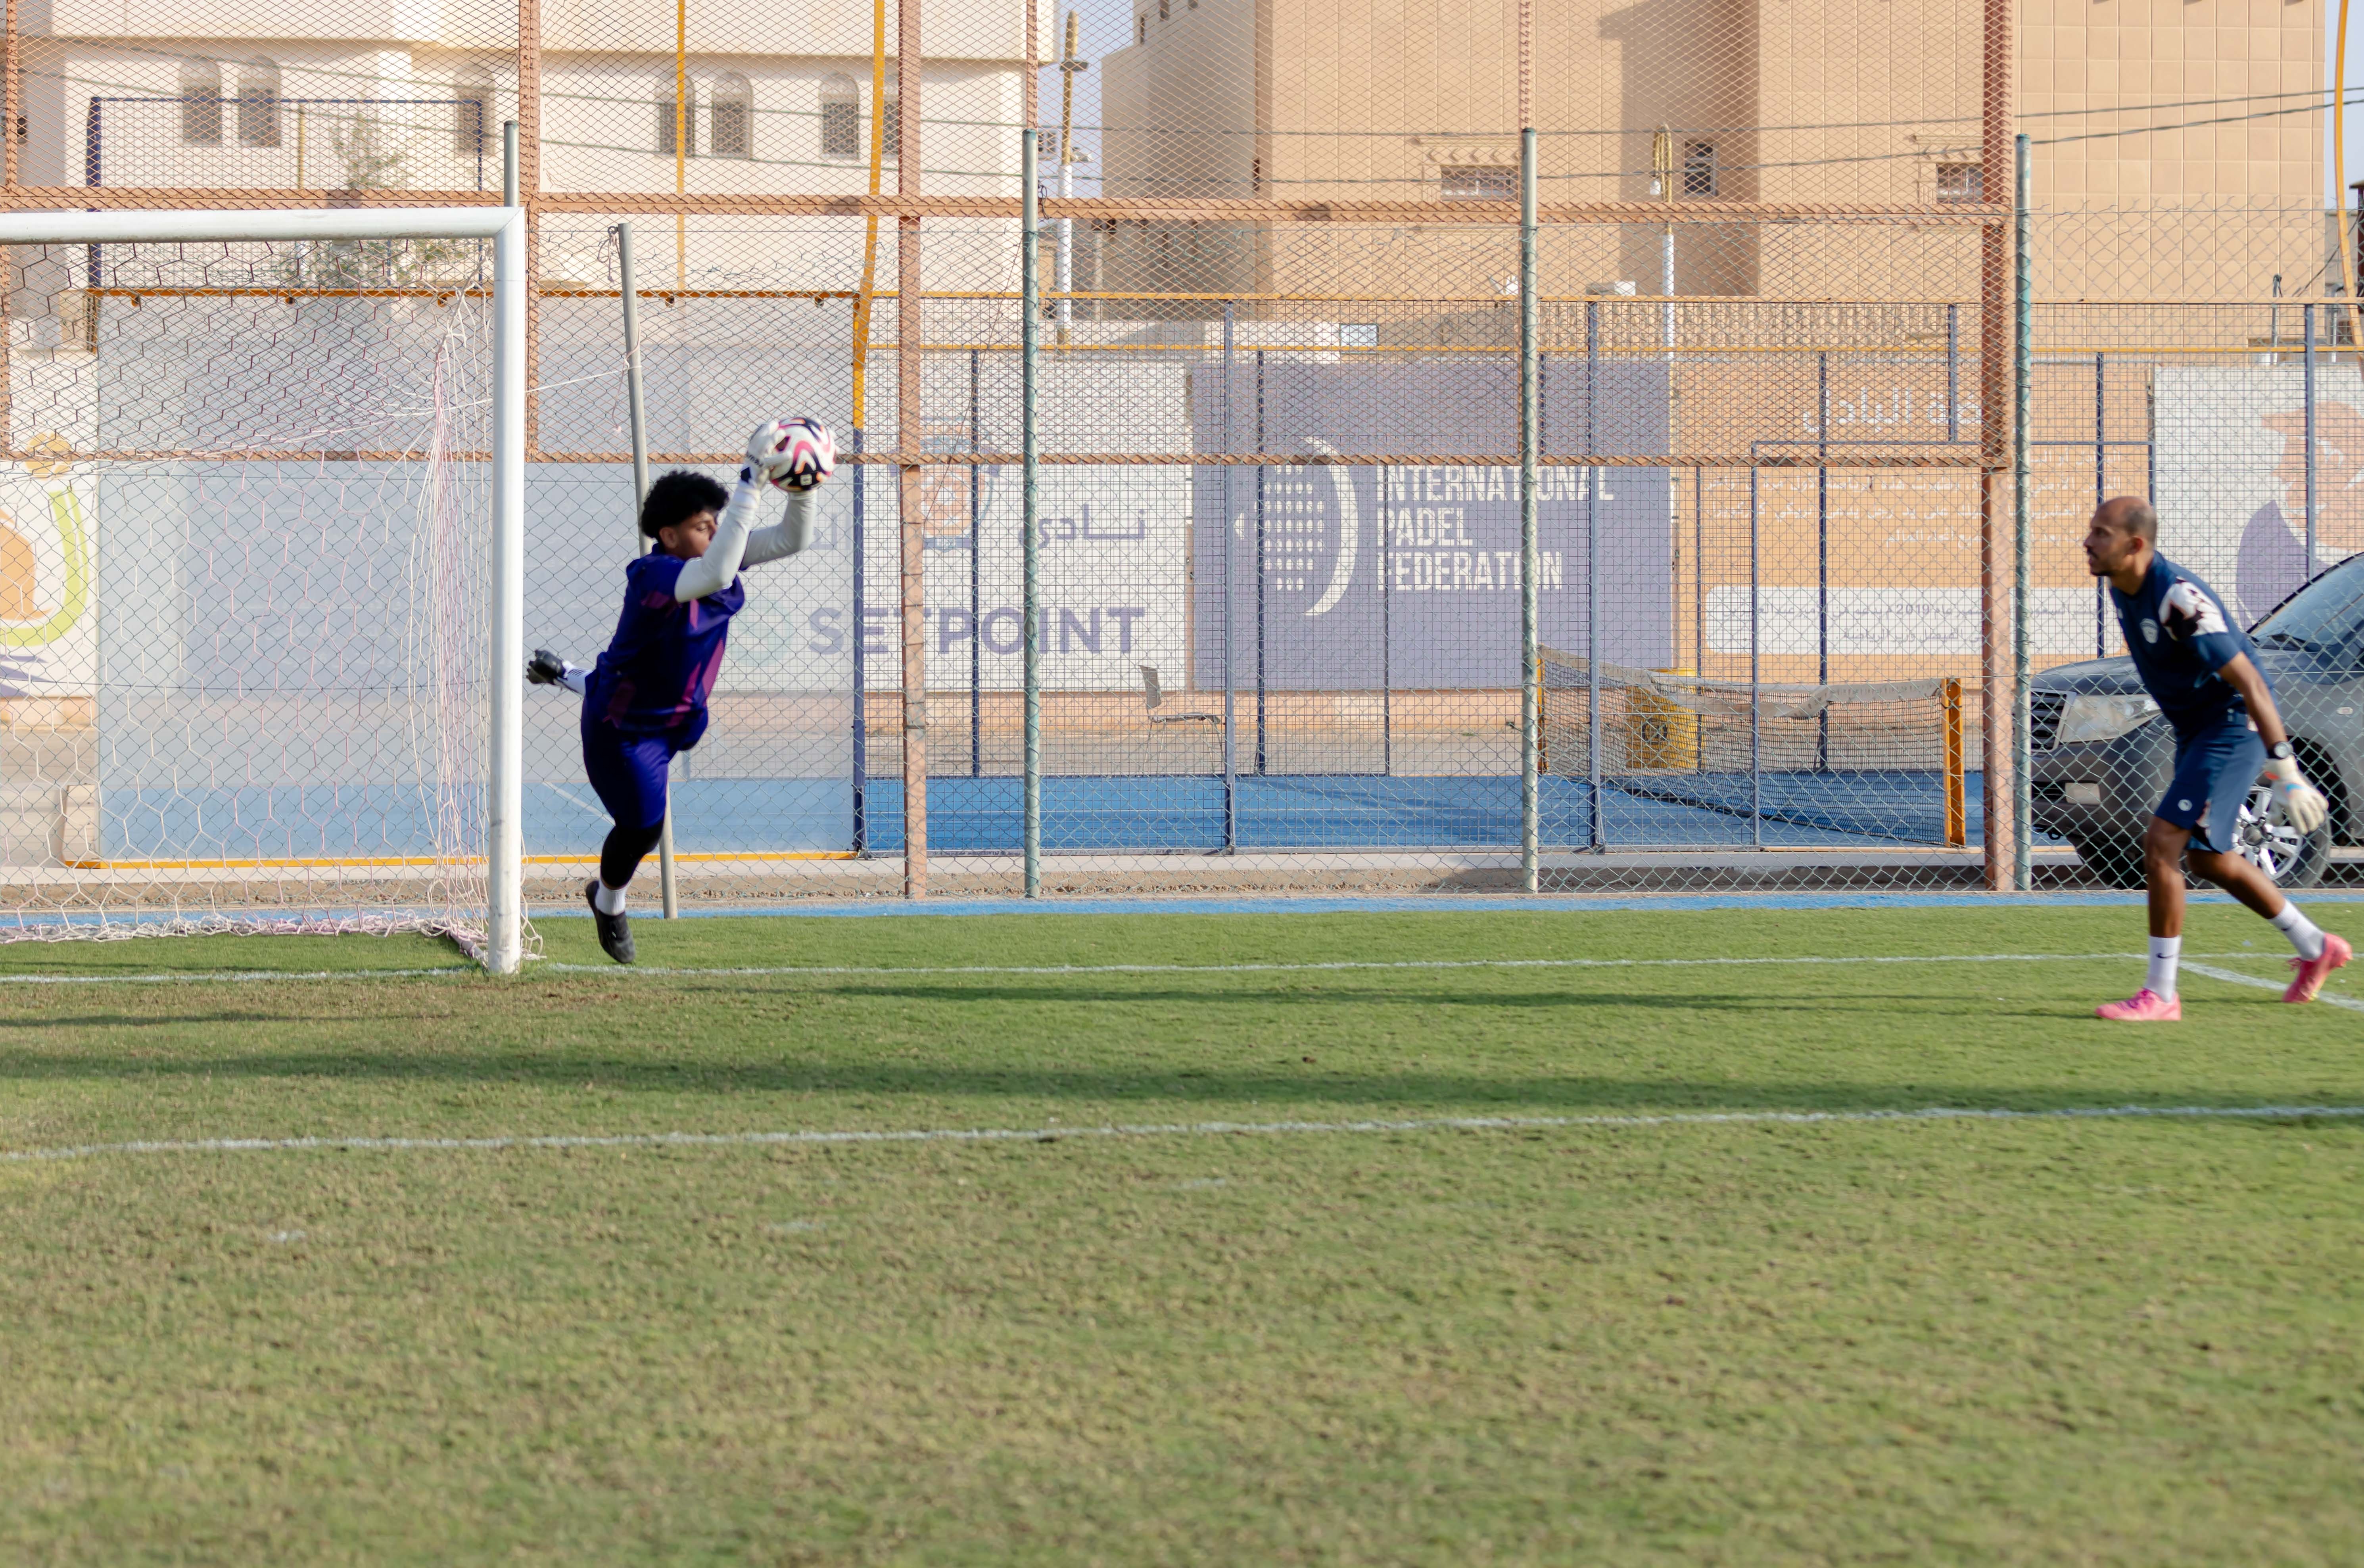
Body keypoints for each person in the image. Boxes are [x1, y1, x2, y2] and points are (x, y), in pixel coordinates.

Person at [530, 424, 825, 963]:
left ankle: (567, 674)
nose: (717, 532)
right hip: (623, 732)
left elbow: (791, 540)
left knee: (633, 685)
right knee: (645, 824)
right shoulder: (655, 573)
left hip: (681, 718)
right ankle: (609, 900)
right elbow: (714, 572)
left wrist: (802, 490)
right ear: (669, 536)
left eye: (718, 523)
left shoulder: (714, 558)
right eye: (702, 526)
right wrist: (751, 481)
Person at [2082, 495, 2349, 1020]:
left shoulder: (2179, 600)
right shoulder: (2122, 585)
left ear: (2135, 545)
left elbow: (2251, 682)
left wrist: (2288, 770)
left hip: (2231, 727)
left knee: (2162, 844)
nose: (2088, 542)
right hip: (2198, 729)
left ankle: (2161, 994)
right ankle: (2319, 947)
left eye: (2100, 533)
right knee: (2209, 858)